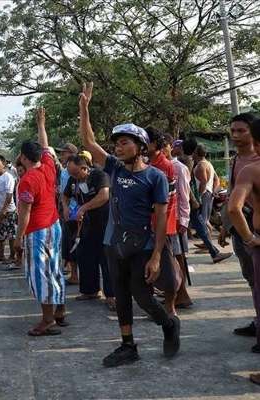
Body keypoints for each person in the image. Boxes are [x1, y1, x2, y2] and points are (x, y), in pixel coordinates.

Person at [78, 82, 180, 367]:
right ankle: (128, 345)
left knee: (142, 295)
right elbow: (89, 143)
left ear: (140, 147)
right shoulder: (113, 167)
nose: (118, 148)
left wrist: (158, 255)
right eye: (117, 143)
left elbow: (160, 218)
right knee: (121, 293)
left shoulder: (155, 177)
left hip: (143, 245)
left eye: (125, 143)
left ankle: (169, 324)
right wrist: (84, 109)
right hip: (113, 244)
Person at [14, 107, 66, 335]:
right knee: (55, 268)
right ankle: (59, 311)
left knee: (40, 273)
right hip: (54, 226)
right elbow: (46, 146)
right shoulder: (48, 167)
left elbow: (24, 214)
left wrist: (17, 239)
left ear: (24, 157)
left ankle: (48, 320)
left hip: (37, 231)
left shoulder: (27, 180)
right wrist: (41, 125)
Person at [228, 117, 260, 384]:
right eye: (233, 131)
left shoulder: (252, 167)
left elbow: (233, 206)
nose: (236, 135)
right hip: (245, 234)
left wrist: (251, 237)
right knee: (252, 283)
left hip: (254, 235)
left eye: (242, 131)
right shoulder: (237, 163)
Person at [63, 152, 115, 309]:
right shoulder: (74, 179)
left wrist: (84, 207)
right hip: (86, 225)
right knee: (85, 255)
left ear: (84, 168)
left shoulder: (99, 175)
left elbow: (104, 195)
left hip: (105, 223)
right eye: (71, 174)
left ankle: (111, 294)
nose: (74, 177)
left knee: (106, 260)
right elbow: (64, 195)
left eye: (76, 173)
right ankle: (90, 290)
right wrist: (65, 208)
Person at [146, 127, 181, 318]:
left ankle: (170, 307)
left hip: (163, 225)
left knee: (167, 269)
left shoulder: (164, 165)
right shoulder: (148, 163)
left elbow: (167, 201)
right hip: (149, 224)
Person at [179, 138, 231, 264]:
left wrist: (195, 198)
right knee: (200, 224)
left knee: (201, 223)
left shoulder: (190, 162)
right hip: (191, 199)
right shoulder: (192, 162)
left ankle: (213, 251)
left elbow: (191, 183)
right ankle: (213, 252)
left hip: (192, 198)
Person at [165, 136, 194, 309]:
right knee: (170, 257)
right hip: (164, 219)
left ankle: (181, 292)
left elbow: (184, 196)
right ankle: (175, 291)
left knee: (177, 256)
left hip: (176, 219)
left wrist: (184, 220)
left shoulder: (179, 168)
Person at [56, 142, 80, 285]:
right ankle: (73, 273)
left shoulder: (77, 170)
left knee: (75, 244)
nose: (62, 156)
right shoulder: (64, 171)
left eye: (64, 153)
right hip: (66, 211)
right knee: (68, 243)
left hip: (76, 212)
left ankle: (76, 275)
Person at [193, 144, 220, 232]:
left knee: (203, 220)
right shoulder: (209, 164)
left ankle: (207, 242)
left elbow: (204, 181)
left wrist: (199, 196)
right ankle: (207, 240)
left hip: (204, 194)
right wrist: (214, 191)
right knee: (205, 219)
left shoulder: (201, 166)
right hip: (209, 193)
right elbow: (216, 179)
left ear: (196, 153)